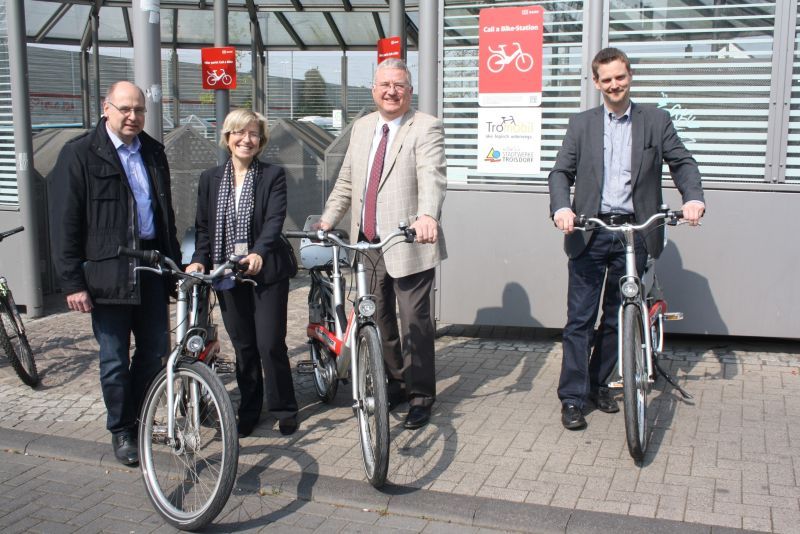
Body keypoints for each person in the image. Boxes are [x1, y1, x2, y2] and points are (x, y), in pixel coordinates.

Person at [548, 47, 705, 430]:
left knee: (618, 318)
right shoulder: (581, 124)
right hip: (591, 230)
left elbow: (682, 162)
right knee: (580, 319)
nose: (614, 84)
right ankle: (572, 396)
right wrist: (561, 208)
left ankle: (599, 385)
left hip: (636, 233)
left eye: (620, 77)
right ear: (596, 83)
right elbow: (560, 173)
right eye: (607, 79)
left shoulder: (655, 121)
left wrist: (693, 198)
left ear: (629, 76)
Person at [52, 81, 181, 465]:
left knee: (154, 351)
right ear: (106, 108)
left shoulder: (154, 152)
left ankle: (141, 419)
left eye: (139, 110)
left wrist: (172, 269)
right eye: (125, 109)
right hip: (107, 273)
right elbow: (64, 223)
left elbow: (164, 217)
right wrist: (72, 282)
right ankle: (122, 430)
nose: (133, 117)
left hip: (151, 267)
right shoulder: (79, 155)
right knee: (113, 359)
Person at [318, 58, 447, 430]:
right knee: (379, 319)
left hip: (408, 240)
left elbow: (432, 176)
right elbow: (346, 180)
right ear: (374, 90)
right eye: (385, 85)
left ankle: (422, 396)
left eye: (399, 86)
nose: (392, 92)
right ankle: (396, 383)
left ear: (409, 91)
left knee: (415, 323)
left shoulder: (425, 127)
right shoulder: (361, 128)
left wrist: (428, 216)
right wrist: (328, 218)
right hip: (367, 244)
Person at [185, 109, 298, 438]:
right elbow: (203, 228)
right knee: (244, 346)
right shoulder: (210, 179)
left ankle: (284, 408)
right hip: (225, 273)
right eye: (240, 133)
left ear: (261, 141)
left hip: (266, 272)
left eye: (253, 135)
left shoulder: (272, 175)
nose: (246, 140)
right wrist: (198, 260)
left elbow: (275, 221)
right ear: (227, 137)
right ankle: (249, 409)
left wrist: (259, 252)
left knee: (269, 343)